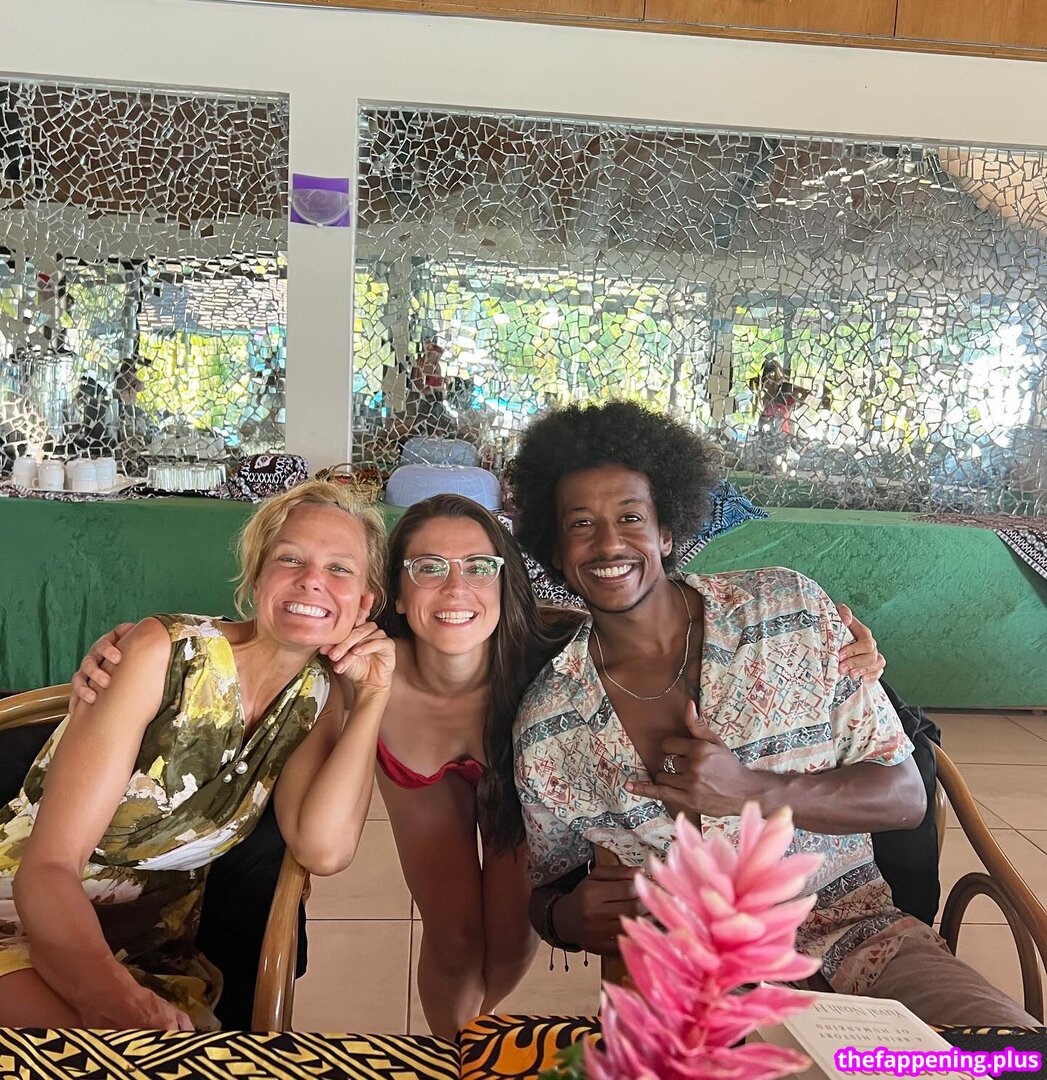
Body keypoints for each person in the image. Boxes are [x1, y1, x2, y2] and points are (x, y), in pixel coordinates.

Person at [72, 495, 886, 1038]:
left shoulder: (553, 646)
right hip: (420, 776)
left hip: (512, 785)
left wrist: (845, 643)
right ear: (394, 591)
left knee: (507, 937)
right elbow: (276, 626)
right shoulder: (358, 663)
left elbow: (673, 620)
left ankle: (469, 1038)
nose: (454, 587)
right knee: (456, 939)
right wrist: (126, 645)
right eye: (427, 566)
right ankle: (455, 1052)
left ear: (506, 581)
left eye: (478, 565)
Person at [510, 399, 1035, 1026]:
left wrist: (750, 790)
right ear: (555, 548)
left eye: (630, 516)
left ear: (667, 531)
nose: (608, 543)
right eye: (581, 524)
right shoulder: (548, 726)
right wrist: (564, 919)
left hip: (867, 944)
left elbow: (904, 797)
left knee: (1005, 1054)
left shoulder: (787, 611)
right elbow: (549, 881)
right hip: (703, 987)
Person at [0, 479, 394, 1032]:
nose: (312, 580)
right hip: (26, 919)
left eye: (339, 569)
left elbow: (323, 849)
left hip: (149, 952)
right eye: (290, 559)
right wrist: (116, 999)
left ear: (364, 604)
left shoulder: (315, 698)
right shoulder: (165, 654)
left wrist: (372, 697)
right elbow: (45, 870)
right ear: (257, 578)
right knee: (112, 1060)